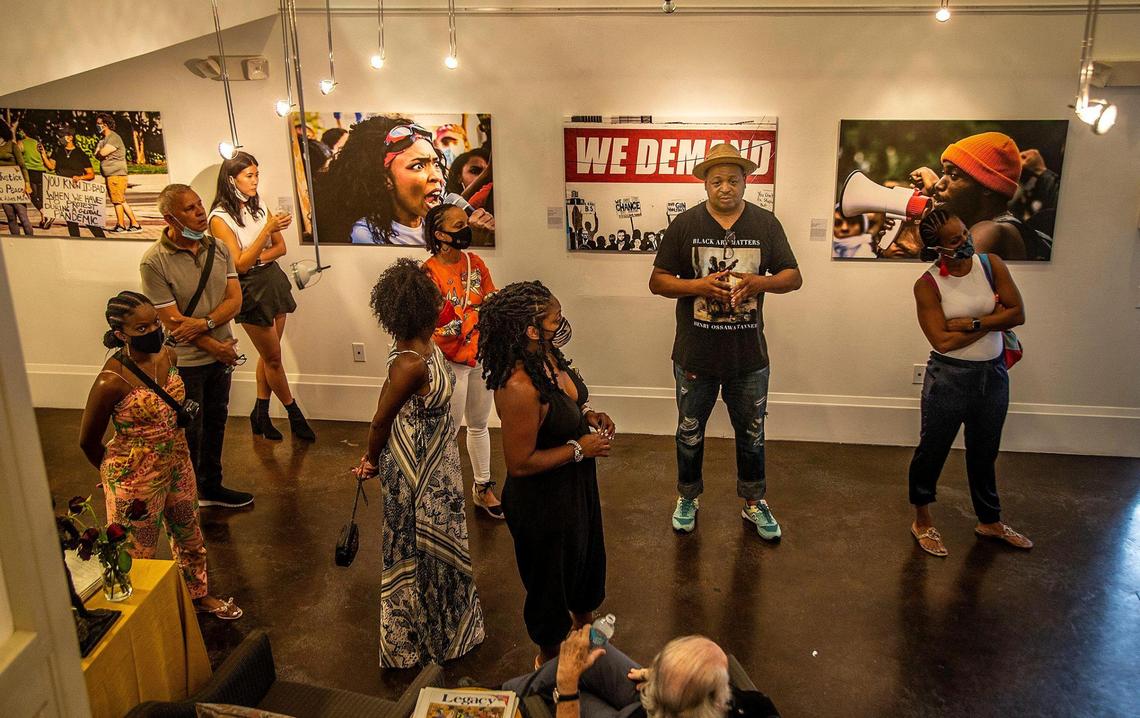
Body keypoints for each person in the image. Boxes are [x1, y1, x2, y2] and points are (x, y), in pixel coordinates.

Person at [649, 143, 802, 541]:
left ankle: (753, 502)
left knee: (752, 434)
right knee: (689, 431)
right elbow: (657, 281)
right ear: (704, 184)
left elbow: (793, 276)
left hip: (748, 356)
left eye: (733, 180)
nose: (725, 188)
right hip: (695, 354)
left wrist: (760, 281)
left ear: (746, 181)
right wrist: (698, 286)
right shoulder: (684, 225)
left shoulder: (766, 224)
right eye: (716, 181)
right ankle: (687, 496)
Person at [78, 291, 243, 619]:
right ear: (121, 334)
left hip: (177, 461)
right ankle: (140, 615)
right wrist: (116, 477)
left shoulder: (169, 356)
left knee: (189, 533)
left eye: (155, 322)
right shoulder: (110, 381)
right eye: (142, 328)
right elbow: (88, 440)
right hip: (135, 475)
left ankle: (197, 595)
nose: (154, 330)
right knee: (136, 550)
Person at [353, 258, 485, 667]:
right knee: (421, 548)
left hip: (433, 462)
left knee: (429, 547)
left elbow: (382, 418)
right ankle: (426, 637)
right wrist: (371, 461)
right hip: (419, 467)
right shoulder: (413, 360)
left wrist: (372, 459)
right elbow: (381, 418)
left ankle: (437, 631)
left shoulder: (418, 349)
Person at [478, 281, 615, 664]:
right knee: (549, 589)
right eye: (555, 320)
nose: (562, 324)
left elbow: (563, 404)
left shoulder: (548, 355)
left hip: (574, 488)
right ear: (531, 330)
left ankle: (585, 639)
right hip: (542, 505)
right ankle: (551, 666)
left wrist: (585, 416)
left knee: (585, 566)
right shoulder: (518, 386)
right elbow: (519, 463)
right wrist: (578, 448)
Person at [908, 209, 1032, 557]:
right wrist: (995, 318)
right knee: (932, 451)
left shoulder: (991, 264)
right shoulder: (927, 285)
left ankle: (989, 520)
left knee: (985, 451)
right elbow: (941, 341)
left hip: (993, 376)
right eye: (954, 241)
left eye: (964, 233)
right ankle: (922, 520)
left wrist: (974, 324)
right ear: (938, 249)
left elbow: (1018, 313)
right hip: (949, 378)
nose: (964, 242)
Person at [140, 184, 253, 508]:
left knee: (217, 419)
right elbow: (171, 319)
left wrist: (204, 326)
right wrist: (212, 345)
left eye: (199, 205)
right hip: (187, 361)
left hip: (222, 351)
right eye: (189, 209)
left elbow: (235, 300)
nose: (200, 212)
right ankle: (185, 493)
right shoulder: (154, 262)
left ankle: (210, 485)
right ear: (170, 219)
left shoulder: (218, 248)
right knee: (189, 427)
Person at [208, 151, 315, 442]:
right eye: (249, 176)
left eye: (257, 174)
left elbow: (279, 248)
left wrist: (256, 253)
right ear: (231, 180)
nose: (255, 181)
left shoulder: (258, 205)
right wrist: (265, 233)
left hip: (271, 280)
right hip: (250, 288)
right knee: (274, 359)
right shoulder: (219, 218)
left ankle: (261, 414)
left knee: (270, 356)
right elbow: (238, 265)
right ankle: (295, 415)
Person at [505, 627, 780, 718]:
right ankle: (501, 693)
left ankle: (503, 702)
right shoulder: (757, 707)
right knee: (591, 641)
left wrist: (567, 691)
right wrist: (665, 677)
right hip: (660, 703)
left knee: (554, 698)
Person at [422, 203, 501, 517]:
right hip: (449, 361)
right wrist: (471, 319)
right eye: (458, 226)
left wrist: (483, 316)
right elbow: (437, 325)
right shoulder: (428, 272)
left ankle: (483, 486)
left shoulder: (475, 262)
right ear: (440, 234)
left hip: (480, 356)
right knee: (449, 429)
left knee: (479, 424)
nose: (466, 230)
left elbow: (490, 300)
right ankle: (443, 491)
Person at [908, 131, 1043, 261]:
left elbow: (945, 279)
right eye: (943, 173)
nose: (938, 185)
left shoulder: (990, 231)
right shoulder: (1000, 225)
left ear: (988, 187)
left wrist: (915, 230)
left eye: (953, 175)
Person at [43, 125, 107, 238]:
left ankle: (102, 240)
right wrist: (43, 154)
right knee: (71, 222)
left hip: (78, 193)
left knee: (89, 220)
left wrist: (80, 178)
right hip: (64, 192)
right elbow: (51, 167)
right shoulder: (57, 151)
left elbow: (91, 174)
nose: (60, 138)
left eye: (62, 136)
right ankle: (75, 241)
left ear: (70, 137)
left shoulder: (81, 154)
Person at [94, 113, 141, 233]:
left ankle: (121, 225)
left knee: (117, 201)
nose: (97, 125)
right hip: (111, 174)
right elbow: (96, 154)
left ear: (105, 125)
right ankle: (135, 224)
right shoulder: (104, 139)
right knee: (120, 200)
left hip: (116, 174)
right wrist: (100, 153)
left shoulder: (113, 138)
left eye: (99, 123)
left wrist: (100, 154)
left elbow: (102, 153)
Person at [0, 119, 33, 236]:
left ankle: (31, 241)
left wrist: (27, 184)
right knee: (11, 218)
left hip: (17, 187)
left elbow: (23, 166)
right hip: (4, 189)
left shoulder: (12, 146)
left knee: (23, 218)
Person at [19, 128, 51, 229]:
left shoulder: (21, 143)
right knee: (41, 197)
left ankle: (45, 213)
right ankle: (44, 219)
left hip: (29, 171)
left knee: (32, 195)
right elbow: (44, 156)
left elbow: (17, 156)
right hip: (41, 171)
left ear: (24, 132)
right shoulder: (38, 143)